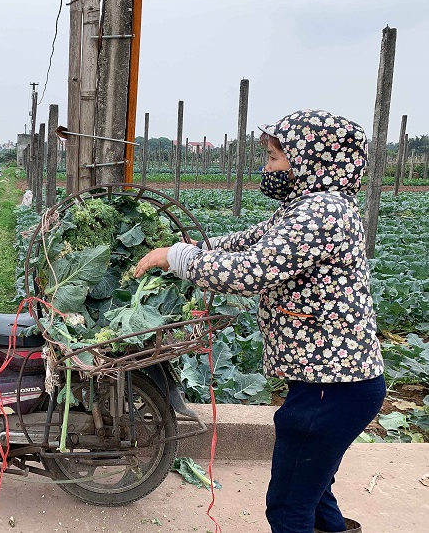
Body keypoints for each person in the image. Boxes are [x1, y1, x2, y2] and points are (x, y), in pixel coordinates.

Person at [134, 109, 385, 533]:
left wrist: (177, 258)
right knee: (315, 490)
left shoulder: (320, 212)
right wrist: (195, 246)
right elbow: (247, 242)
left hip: (331, 390)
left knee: (288, 507)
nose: (265, 167)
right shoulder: (306, 206)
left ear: (311, 158)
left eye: (272, 157)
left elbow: (251, 271)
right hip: (336, 385)